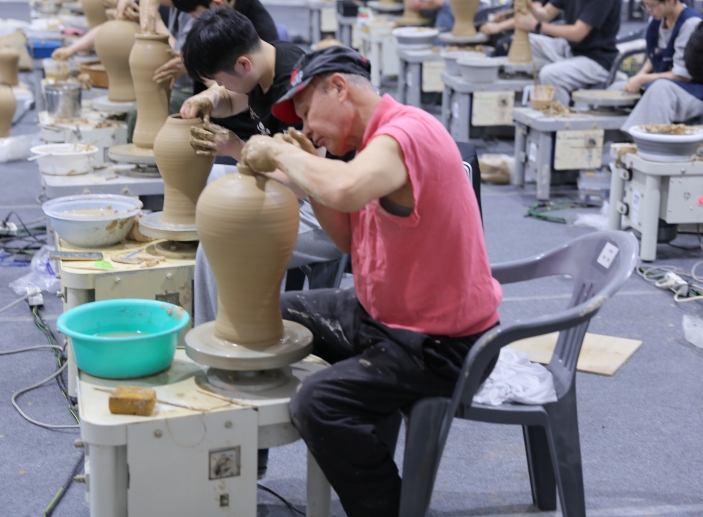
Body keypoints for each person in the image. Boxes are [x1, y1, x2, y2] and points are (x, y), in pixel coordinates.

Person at [237, 46, 502, 516]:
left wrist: (279, 151)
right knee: (271, 312)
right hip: (385, 316)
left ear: (338, 88)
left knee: (317, 404)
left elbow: (344, 188)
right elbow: (344, 237)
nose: (305, 128)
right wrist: (309, 176)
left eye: (307, 112)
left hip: (442, 345)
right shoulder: (368, 149)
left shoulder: (406, 133)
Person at [179, 8, 342, 322]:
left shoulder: (298, 90)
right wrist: (209, 99)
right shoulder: (265, 60)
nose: (219, 85)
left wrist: (236, 148)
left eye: (219, 79)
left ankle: (215, 337)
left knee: (217, 249)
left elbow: (304, 181)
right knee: (205, 179)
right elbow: (232, 98)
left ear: (243, 64)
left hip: (326, 212)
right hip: (293, 192)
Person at [616, 0, 703, 130]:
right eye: (644, 5)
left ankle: (642, 138)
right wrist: (639, 75)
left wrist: (642, 79)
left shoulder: (691, 23)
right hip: (666, 82)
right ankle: (615, 133)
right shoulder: (656, 19)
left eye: (651, 5)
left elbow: (684, 75)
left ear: (670, 1)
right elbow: (653, 56)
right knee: (619, 87)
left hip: (694, 90)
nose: (648, 10)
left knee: (660, 90)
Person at [514, 0, 621, 105]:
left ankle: (559, 112)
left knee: (549, 75)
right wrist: (531, 8)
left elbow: (578, 33)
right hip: (572, 50)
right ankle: (530, 95)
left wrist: (536, 26)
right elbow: (547, 13)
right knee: (527, 42)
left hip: (597, 60)